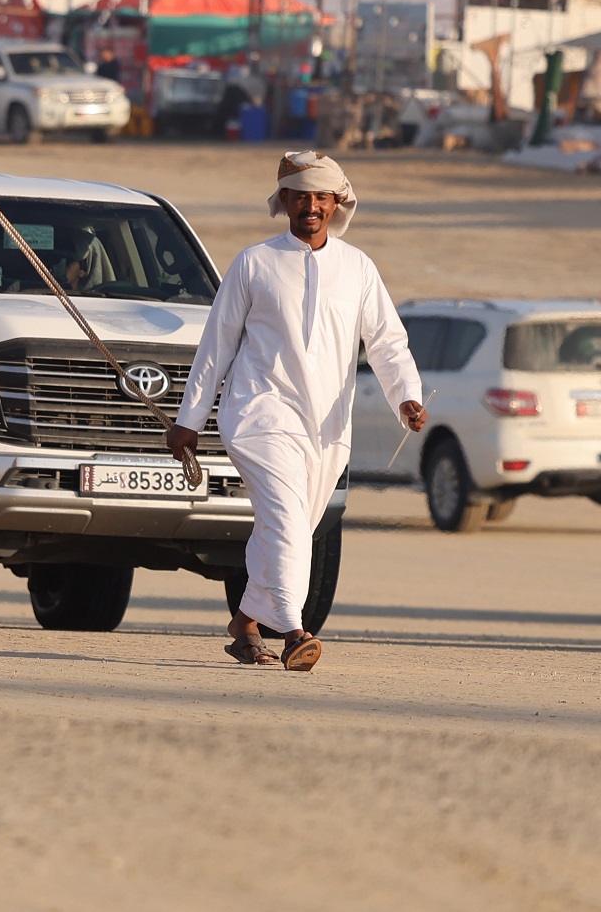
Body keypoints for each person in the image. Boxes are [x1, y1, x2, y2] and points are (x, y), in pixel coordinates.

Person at [165, 151, 426, 672]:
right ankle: (294, 629)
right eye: (300, 195)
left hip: (326, 426)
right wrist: (189, 420)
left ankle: (245, 623)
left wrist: (406, 396)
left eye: (321, 196)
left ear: (336, 203)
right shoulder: (253, 263)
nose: (311, 205)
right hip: (258, 413)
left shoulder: (357, 268)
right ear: (283, 200)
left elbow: (388, 342)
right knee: (285, 521)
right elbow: (216, 345)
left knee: (289, 528)